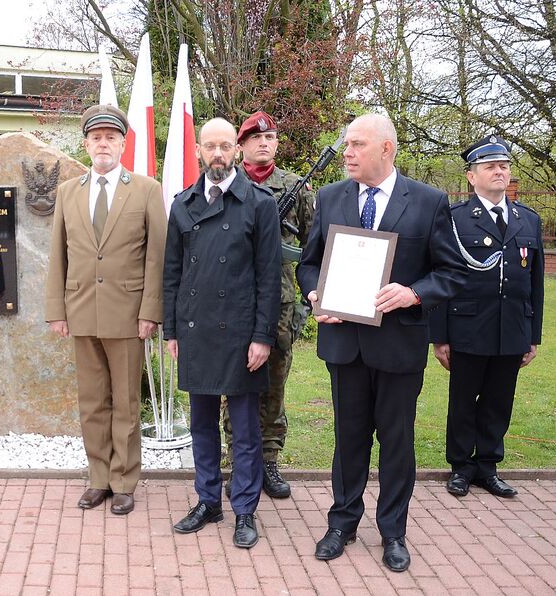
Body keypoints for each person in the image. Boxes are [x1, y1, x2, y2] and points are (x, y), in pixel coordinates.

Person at [296, 113, 466, 571]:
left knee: (397, 442)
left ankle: (393, 532)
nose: (346, 152)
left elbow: (451, 273)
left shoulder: (429, 201)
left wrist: (413, 293)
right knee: (348, 439)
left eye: (356, 144)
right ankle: (342, 522)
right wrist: (316, 292)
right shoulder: (330, 198)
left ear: (386, 149)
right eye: (346, 144)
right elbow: (308, 264)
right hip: (344, 345)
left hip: (398, 347)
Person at [45, 104, 166, 515]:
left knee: (127, 401)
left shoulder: (147, 190)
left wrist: (151, 309)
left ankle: (124, 478)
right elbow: (57, 255)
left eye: (110, 137)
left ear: (122, 143)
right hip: (81, 310)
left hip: (129, 312)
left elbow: (157, 257)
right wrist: (56, 310)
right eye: (96, 137)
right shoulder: (68, 192)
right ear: (85, 144)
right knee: (92, 400)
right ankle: (98, 478)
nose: (103, 144)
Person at [165, 118, 281, 549]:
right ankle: (208, 500)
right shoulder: (183, 203)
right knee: (202, 426)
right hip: (196, 333)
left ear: (236, 149)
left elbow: (269, 278)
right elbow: (171, 273)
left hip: (240, 334)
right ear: (199, 149)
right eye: (210, 146)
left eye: (226, 146)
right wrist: (172, 331)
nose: (218, 154)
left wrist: (263, 337)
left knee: (246, 431)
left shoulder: (258, 203)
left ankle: (245, 510)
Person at [430, 135, 544, 499]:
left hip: (511, 326)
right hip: (467, 326)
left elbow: (536, 283)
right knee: (463, 400)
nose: (500, 172)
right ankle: (461, 467)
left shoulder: (528, 219)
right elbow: (441, 277)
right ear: (471, 176)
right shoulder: (454, 218)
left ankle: (488, 467)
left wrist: (534, 334)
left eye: (504, 166)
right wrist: (440, 336)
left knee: (499, 400)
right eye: (490, 166)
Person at [222, 110, 315, 499]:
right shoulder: (225, 185)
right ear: (241, 145)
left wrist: (304, 309)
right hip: (234, 304)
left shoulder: (296, 188)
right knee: (234, 385)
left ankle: (269, 462)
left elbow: (313, 252)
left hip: (280, 307)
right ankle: (237, 463)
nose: (265, 143)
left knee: (274, 386)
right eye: (256, 138)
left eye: (271, 137)